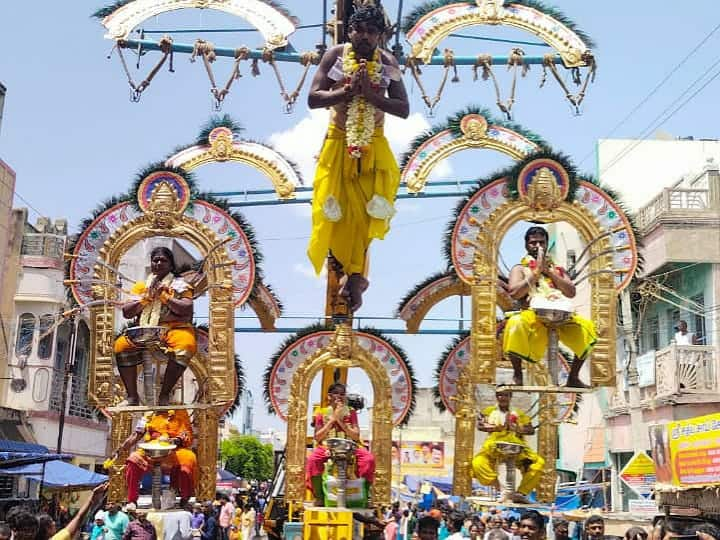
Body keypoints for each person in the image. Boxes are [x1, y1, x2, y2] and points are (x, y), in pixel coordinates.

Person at [306, 4, 410, 312]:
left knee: (366, 214)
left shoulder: (388, 61)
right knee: (335, 209)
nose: (364, 37)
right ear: (349, 31)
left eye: (371, 32)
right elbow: (313, 98)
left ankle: (356, 277)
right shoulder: (335, 56)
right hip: (339, 143)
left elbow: (403, 108)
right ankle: (349, 273)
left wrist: (372, 96)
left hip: (374, 147)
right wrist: (348, 92)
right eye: (359, 31)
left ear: (380, 35)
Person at [503, 226, 597, 388]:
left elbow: (570, 292)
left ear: (546, 244)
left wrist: (550, 272)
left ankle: (573, 377)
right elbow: (515, 293)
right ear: (526, 245)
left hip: (561, 316)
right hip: (532, 316)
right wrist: (536, 273)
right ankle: (517, 375)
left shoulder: (557, 269)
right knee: (514, 323)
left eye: (541, 242)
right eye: (533, 242)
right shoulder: (519, 268)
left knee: (587, 328)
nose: (537, 245)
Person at [114, 246, 196, 405]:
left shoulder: (180, 285)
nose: (158, 263)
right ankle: (132, 397)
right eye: (155, 260)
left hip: (174, 329)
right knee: (120, 346)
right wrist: (146, 298)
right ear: (151, 264)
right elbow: (127, 312)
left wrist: (164, 296)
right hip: (146, 331)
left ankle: (164, 395)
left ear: (171, 265)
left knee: (186, 345)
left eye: (163, 260)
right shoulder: (141, 286)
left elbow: (186, 308)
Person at [305, 382, 376, 506]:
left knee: (369, 459)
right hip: (327, 446)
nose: (339, 396)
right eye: (336, 393)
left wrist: (340, 421)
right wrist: (332, 420)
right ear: (329, 396)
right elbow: (317, 437)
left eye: (342, 394)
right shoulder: (321, 413)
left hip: (350, 446)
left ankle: (366, 495)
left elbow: (355, 435)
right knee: (312, 460)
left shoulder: (351, 412)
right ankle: (319, 496)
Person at [108, 409, 196, 505]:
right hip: (151, 449)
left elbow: (186, 433)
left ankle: (184, 498)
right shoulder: (148, 414)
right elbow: (136, 434)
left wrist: (173, 441)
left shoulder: (180, 411)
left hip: (175, 450)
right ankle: (132, 500)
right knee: (133, 459)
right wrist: (120, 450)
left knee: (188, 460)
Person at [473, 389, 545, 504]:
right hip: (493, 446)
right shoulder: (488, 411)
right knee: (478, 463)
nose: (503, 398)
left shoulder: (518, 413)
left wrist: (516, 428)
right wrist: (497, 428)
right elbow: (480, 425)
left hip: (517, 446)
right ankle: (500, 489)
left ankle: (520, 493)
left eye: (506, 395)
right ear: (496, 396)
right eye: (500, 395)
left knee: (539, 463)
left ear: (510, 396)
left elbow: (531, 430)